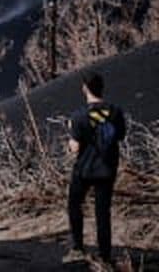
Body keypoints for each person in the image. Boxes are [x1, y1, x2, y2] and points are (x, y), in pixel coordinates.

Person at [63, 71, 127, 265]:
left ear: (85, 88)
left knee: (75, 205)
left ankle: (77, 248)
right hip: (107, 167)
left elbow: (75, 148)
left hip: (84, 168)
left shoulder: (79, 116)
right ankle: (105, 255)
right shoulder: (116, 112)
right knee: (103, 212)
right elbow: (120, 136)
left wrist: (71, 134)